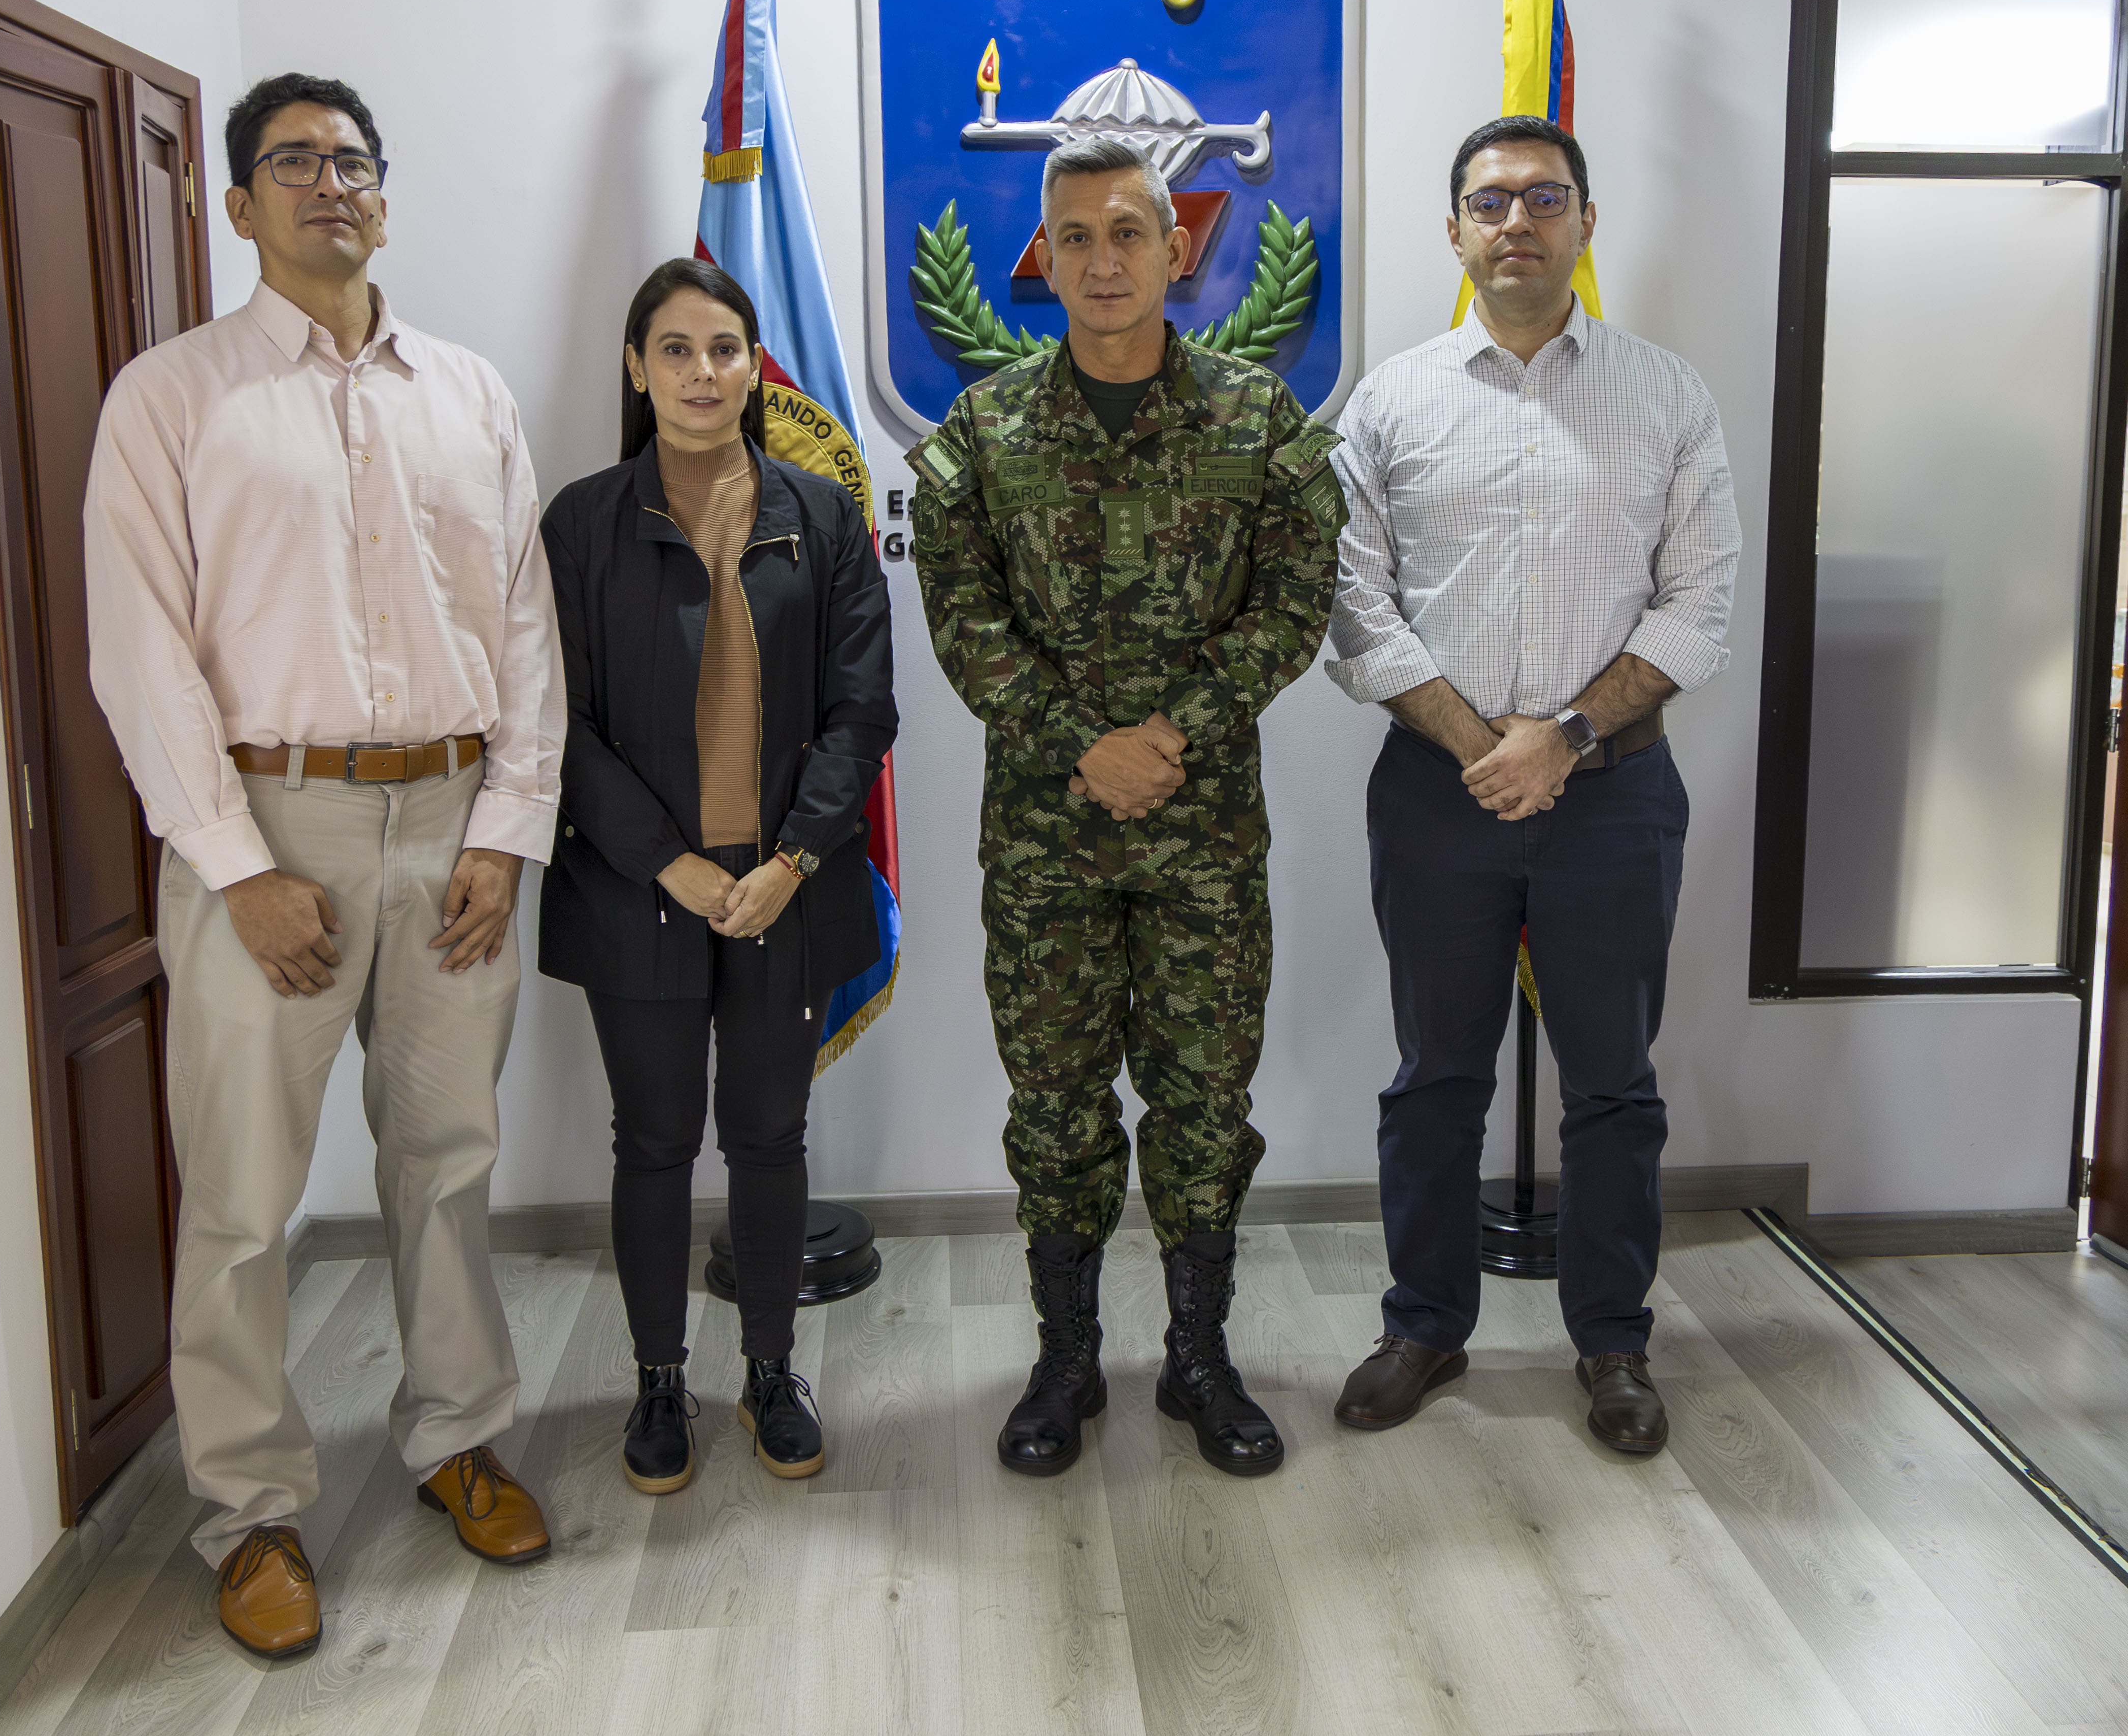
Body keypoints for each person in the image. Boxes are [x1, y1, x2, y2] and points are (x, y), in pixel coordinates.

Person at [84, 73, 564, 1658]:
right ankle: (252, 1508)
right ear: (239, 206)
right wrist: (232, 865)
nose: (329, 183)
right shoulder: (172, 398)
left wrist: (504, 831)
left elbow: (523, 631)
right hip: (267, 834)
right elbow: (139, 654)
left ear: (384, 193)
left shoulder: (470, 396)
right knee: (238, 1198)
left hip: (450, 831)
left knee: (447, 1158)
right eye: (293, 162)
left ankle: (457, 1438)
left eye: (353, 160)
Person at [908, 136, 1343, 1480]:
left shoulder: (1257, 420)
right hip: (1045, 839)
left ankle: (1199, 1361)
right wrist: (1077, 744)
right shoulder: (982, 432)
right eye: (1076, 238)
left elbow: (1297, 598)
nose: (1102, 261)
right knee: (1055, 1099)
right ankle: (1067, 1359)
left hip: (1203, 835)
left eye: (1129, 233)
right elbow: (961, 614)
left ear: (1178, 251)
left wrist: (1172, 733)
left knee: (1205, 1095)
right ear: (1043, 257)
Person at [1324, 114, 1741, 1456]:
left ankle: (1613, 1344)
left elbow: (1700, 605)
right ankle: (1424, 1325)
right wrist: (1477, 744)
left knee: (1612, 1084)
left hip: (1614, 794)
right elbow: (1354, 605)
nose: (1517, 221)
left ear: (1583, 224)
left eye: (1544, 199)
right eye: (1489, 202)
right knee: (1436, 1076)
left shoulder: (1666, 395)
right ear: (1452, 231)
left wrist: (1558, 734)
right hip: (1435, 797)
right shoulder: (1390, 402)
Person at [538, 258, 895, 1495]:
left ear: (757, 368)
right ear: (636, 368)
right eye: (676, 350)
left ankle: (768, 1369)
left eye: (726, 349)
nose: (703, 373)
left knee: (768, 1135)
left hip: (782, 889)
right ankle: (655, 1379)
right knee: (652, 1142)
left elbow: (863, 712)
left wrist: (792, 858)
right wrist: (670, 863)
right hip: (638, 887)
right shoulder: (582, 521)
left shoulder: (822, 511)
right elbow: (557, 722)